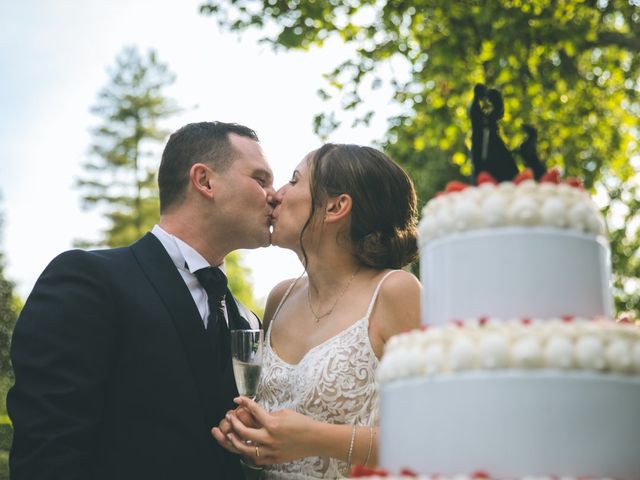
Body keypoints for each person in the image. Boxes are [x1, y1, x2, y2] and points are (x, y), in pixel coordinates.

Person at [8, 121, 275, 480]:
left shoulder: (248, 321)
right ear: (205, 180)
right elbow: (48, 452)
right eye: (261, 179)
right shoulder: (88, 280)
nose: (274, 195)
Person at [212, 143, 422, 478]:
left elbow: (434, 437)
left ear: (336, 207)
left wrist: (315, 438)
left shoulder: (395, 291)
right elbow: (278, 442)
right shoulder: (279, 298)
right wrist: (253, 439)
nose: (276, 195)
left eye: (294, 181)